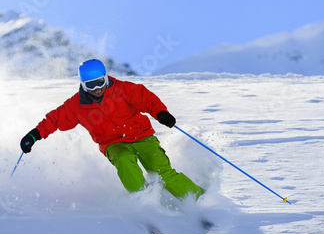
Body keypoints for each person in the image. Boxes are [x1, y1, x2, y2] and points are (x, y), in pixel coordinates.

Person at [20, 58, 205, 201]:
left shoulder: (123, 89)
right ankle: (143, 201)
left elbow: (146, 99)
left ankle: (201, 200)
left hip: (142, 136)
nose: (97, 88)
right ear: (83, 85)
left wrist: (161, 113)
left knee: (161, 171)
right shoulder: (76, 105)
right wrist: (34, 135)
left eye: (100, 82)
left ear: (106, 77)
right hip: (112, 144)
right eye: (91, 85)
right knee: (124, 160)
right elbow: (53, 120)